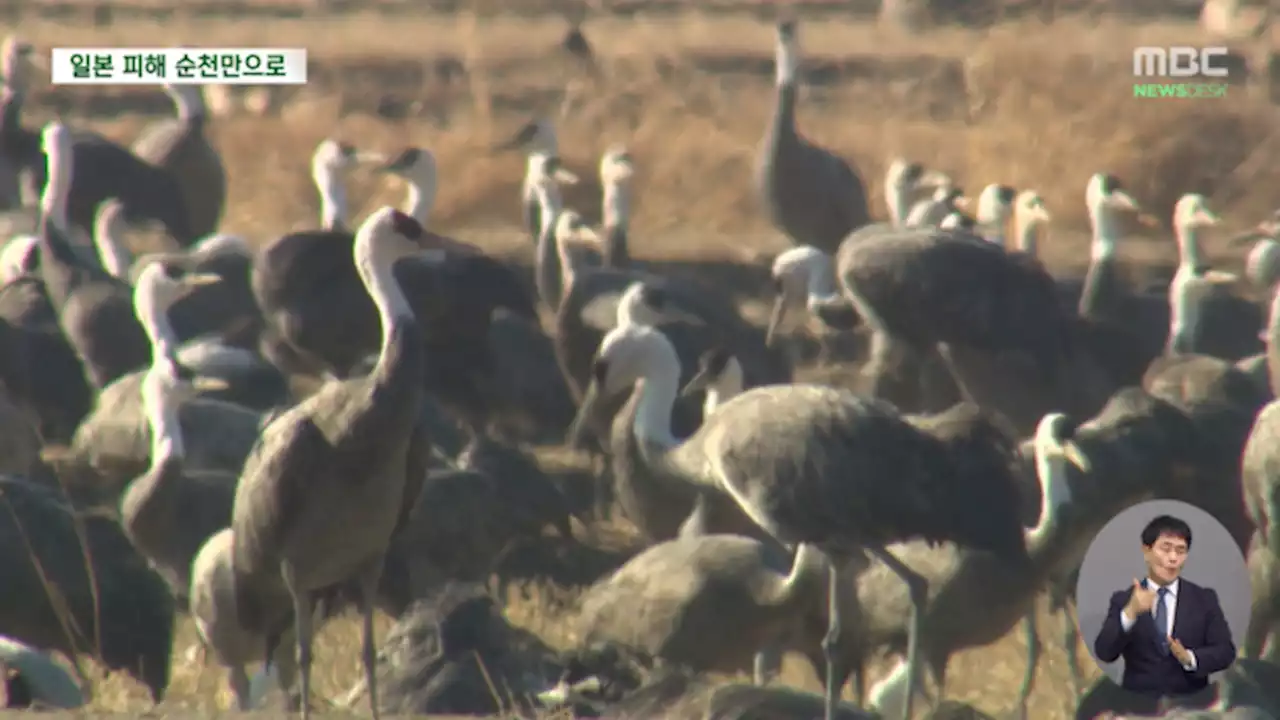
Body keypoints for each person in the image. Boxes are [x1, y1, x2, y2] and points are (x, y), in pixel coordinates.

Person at [1093, 514, 1236, 697]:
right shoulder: (1124, 600)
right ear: (1146, 551)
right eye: (1165, 549)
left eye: (1180, 551)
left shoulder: (1204, 599)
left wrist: (1190, 658)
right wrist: (1130, 613)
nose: (1173, 558)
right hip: (1139, 708)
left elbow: (1225, 651)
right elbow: (1104, 652)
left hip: (1191, 706)